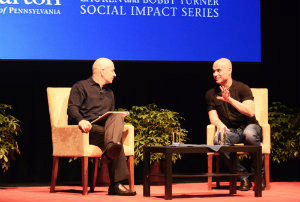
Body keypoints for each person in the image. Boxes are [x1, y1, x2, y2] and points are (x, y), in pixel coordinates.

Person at [67, 58, 136, 196]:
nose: (115, 74)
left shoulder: (110, 93)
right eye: (113, 70)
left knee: (116, 116)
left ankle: (110, 149)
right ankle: (116, 185)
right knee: (116, 142)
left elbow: (110, 118)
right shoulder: (80, 86)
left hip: (105, 130)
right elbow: (72, 108)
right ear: (102, 71)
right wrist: (81, 120)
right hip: (87, 129)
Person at [205, 58, 264, 191]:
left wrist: (229, 99)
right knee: (218, 140)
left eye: (219, 70)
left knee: (249, 134)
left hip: (249, 126)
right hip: (231, 131)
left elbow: (250, 112)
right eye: (213, 71)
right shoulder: (210, 94)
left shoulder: (243, 88)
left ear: (229, 70)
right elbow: (213, 117)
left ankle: (259, 175)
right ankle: (243, 176)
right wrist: (219, 125)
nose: (215, 74)